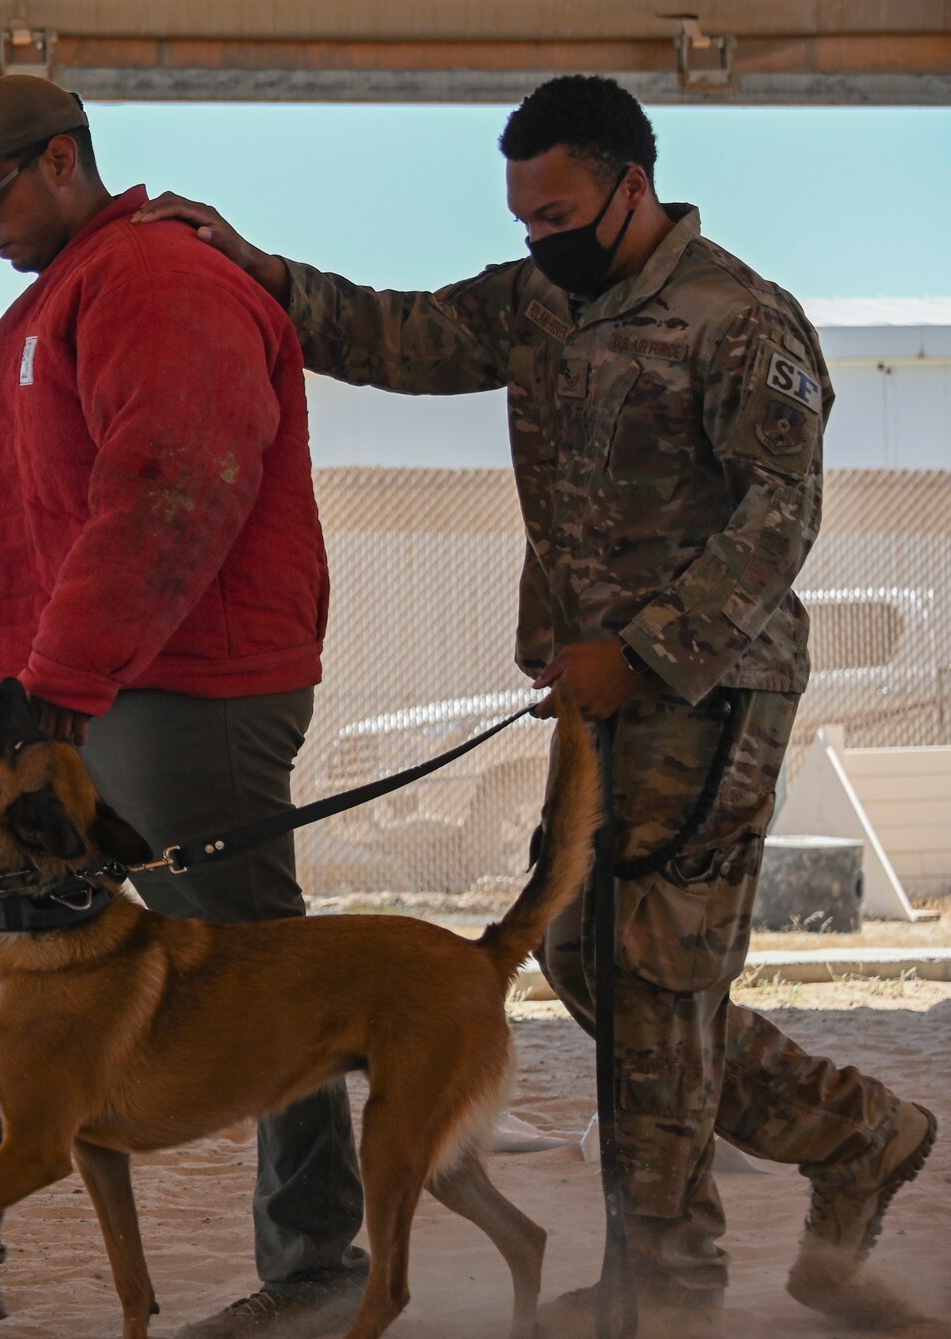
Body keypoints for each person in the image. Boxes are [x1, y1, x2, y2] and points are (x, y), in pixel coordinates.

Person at [135, 75, 935, 1338]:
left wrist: (647, 649)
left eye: (555, 214)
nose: (535, 241)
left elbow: (778, 517)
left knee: (655, 979)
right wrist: (255, 267)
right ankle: (856, 1131)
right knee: (583, 954)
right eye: (519, 222)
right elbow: (388, 332)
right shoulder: (534, 302)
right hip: (594, 703)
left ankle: (662, 1289)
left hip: (709, 692)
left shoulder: (740, 317)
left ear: (629, 186)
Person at [0, 76, 359, 1339]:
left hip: (179, 683)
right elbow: (36, 524)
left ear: (61, 161)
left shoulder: (157, 280)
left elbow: (171, 491)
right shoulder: (52, 304)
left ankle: (320, 1267)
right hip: (74, 694)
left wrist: (59, 687)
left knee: (262, 972)